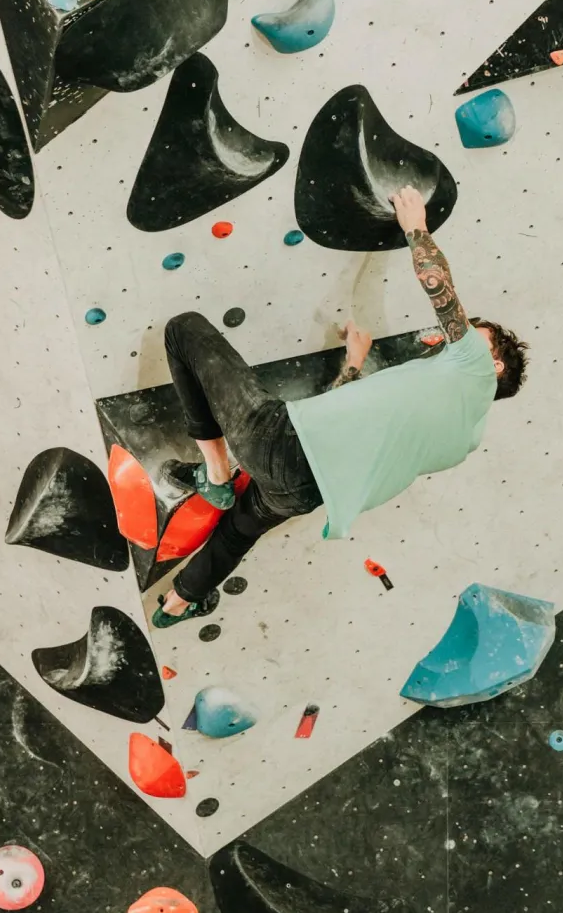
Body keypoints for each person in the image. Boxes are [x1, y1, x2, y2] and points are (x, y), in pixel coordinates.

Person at [152, 185, 529, 626]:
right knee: (237, 532)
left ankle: (216, 475)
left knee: (183, 330)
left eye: (475, 335)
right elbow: (358, 431)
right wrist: (352, 365)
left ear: (494, 363)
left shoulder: (475, 367)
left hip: (283, 445)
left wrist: (416, 227)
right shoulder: (465, 438)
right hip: (307, 491)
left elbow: (438, 286)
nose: (460, 336)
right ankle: (180, 602)